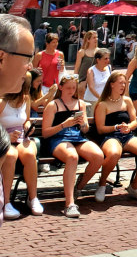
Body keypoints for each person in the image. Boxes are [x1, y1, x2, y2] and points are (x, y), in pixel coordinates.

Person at [41, 74, 104, 218]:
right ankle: (69, 203)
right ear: (61, 87)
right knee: (72, 157)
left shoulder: (80, 103)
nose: (71, 91)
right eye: (68, 88)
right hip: (58, 139)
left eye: (73, 88)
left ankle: (79, 186)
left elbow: (85, 129)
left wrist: (83, 124)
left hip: (77, 137)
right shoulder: (53, 105)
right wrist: (64, 124)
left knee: (98, 156)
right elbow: (45, 133)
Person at [93, 71, 137, 202]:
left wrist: (129, 127)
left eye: (125, 83)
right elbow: (100, 129)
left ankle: (134, 186)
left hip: (127, 136)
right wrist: (116, 127)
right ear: (112, 84)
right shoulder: (103, 104)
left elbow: (134, 121)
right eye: (120, 83)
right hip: (110, 137)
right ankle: (102, 184)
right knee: (114, 154)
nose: (123, 85)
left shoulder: (127, 101)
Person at [0, 74, 42, 218]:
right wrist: (6, 136)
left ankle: (33, 197)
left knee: (29, 154)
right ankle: (6, 202)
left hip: (21, 137)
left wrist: (28, 126)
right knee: (10, 155)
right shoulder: (2, 101)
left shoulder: (26, 99)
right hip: (4, 138)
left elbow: (26, 120)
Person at [84, 48, 112, 117]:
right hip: (92, 100)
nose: (108, 60)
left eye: (108, 58)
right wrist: (101, 98)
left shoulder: (109, 68)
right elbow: (91, 87)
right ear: (98, 60)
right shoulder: (91, 70)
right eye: (105, 59)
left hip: (104, 100)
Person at [74, 29, 98, 99]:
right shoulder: (82, 52)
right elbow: (77, 68)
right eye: (94, 38)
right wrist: (75, 82)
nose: (96, 39)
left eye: (96, 37)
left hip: (95, 81)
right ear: (88, 40)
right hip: (82, 81)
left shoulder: (99, 52)